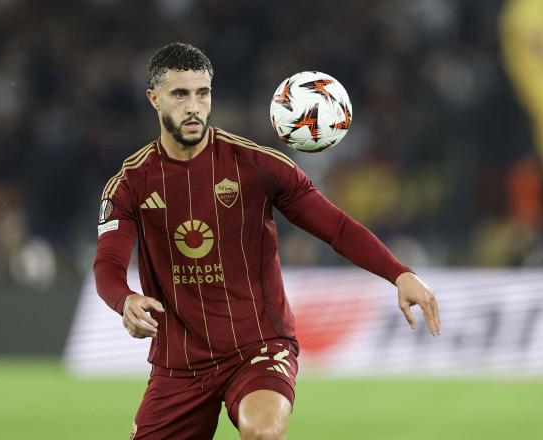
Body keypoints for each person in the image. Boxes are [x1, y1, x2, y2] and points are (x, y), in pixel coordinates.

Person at [94, 42, 441, 440]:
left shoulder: (258, 167)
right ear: (154, 100)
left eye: (202, 93)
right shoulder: (129, 185)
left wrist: (399, 274)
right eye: (180, 94)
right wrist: (126, 300)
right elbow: (108, 265)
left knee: (263, 431)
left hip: (258, 348)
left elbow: (337, 228)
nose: (193, 106)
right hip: (179, 363)